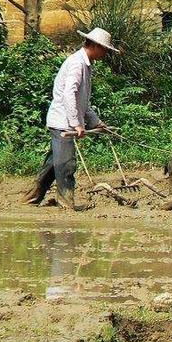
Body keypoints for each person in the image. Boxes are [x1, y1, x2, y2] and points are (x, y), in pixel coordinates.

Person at [22, 27, 120, 210]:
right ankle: (66, 204)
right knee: (67, 165)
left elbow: (82, 101)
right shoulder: (77, 63)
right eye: (105, 48)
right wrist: (77, 124)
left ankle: (30, 199)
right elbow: (69, 94)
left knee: (53, 164)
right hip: (62, 122)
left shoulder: (86, 64)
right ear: (96, 46)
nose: (106, 52)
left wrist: (95, 122)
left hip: (65, 121)